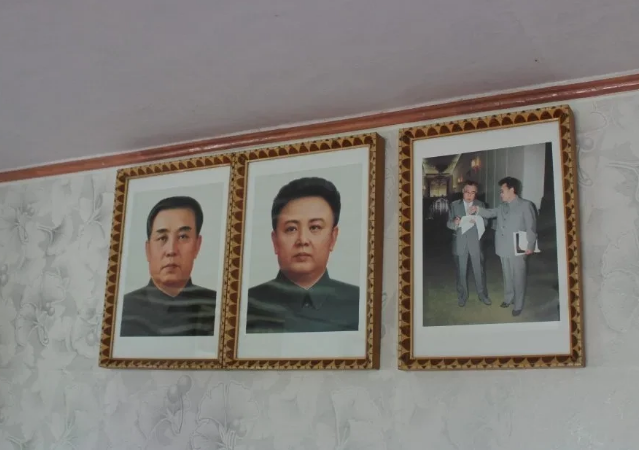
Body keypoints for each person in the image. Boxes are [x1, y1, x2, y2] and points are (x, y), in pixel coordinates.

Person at [246, 177, 360, 333]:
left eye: (315, 227)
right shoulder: (248, 304)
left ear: (333, 238)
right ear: (275, 241)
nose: (303, 240)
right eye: (291, 229)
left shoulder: (359, 303)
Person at [120, 196, 217, 337]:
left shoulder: (218, 306)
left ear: (197, 245)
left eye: (183, 237)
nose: (171, 250)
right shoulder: (122, 310)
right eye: (162, 238)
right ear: (147, 250)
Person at [469, 177, 537, 316]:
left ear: (512, 190)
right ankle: (508, 298)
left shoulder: (525, 205)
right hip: (503, 247)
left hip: (519, 247)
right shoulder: (502, 206)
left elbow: (531, 227)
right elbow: (490, 213)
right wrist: (477, 209)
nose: (500, 194)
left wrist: (530, 245)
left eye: (502, 191)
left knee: (518, 277)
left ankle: (518, 304)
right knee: (507, 275)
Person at [446, 180, 491, 307]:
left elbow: (486, 222)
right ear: (462, 191)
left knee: (479, 271)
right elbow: (448, 223)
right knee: (461, 271)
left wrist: (478, 220)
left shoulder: (480, 204)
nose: (469, 195)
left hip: (475, 243)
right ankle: (462, 296)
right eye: (467, 192)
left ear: (476, 193)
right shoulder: (454, 205)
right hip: (460, 243)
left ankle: (482, 295)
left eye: (473, 192)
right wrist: (455, 223)